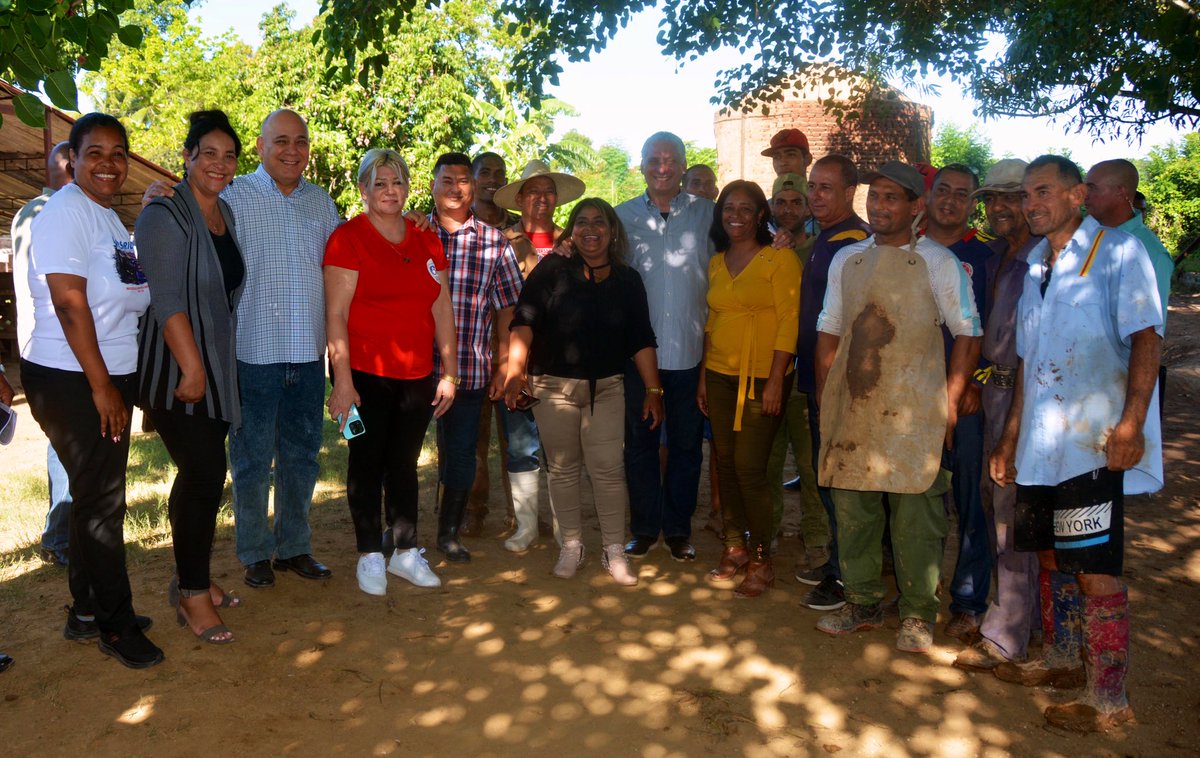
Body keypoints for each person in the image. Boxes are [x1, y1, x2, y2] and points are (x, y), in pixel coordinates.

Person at [990, 155, 1162, 733]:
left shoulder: (1117, 252)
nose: (1029, 203)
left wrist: (1132, 423)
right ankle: (1062, 660)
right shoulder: (1036, 263)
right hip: (1041, 446)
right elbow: (1029, 362)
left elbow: (1146, 341)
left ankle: (1110, 699)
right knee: (1049, 554)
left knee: (1094, 567)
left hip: (1092, 443)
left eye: (1042, 191)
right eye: (1025, 194)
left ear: (1076, 195)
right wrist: (1010, 439)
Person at [146, 110, 343, 588]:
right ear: (259, 147)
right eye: (280, 141)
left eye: (300, 141)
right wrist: (159, 195)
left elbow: (344, 266)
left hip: (307, 352)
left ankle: (294, 546)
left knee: (302, 456)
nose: (291, 150)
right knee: (251, 460)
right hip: (252, 352)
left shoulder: (324, 204)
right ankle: (254, 552)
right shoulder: (231, 196)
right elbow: (184, 223)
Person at [814, 161, 981, 653]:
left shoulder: (936, 262)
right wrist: (829, 393)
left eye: (892, 198)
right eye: (875, 196)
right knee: (854, 508)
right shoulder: (849, 259)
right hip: (857, 405)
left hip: (914, 407)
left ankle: (916, 613)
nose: (880, 207)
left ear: (916, 207)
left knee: (917, 515)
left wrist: (949, 403)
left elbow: (968, 330)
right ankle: (863, 600)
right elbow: (830, 324)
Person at [22, 113, 163, 668]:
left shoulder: (108, 218)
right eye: (94, 152)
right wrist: (102, 387)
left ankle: (85, 610)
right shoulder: (64, 215)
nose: (108, 163)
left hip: (109, 375)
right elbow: (68, 303)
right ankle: (115, 623)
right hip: (72, 377)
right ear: (71, 161)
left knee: (92, 495)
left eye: (118, 153)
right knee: (104, 503)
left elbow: (130, 291)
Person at [504, 198, 662, 585]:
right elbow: (524, 321)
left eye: (599, 223)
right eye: (582, 223)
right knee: (562, 469)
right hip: (552, 386)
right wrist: (514, 372)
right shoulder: (553, 270)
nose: (590, 230)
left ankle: (613, 550)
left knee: (608, 470)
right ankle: (571, 545)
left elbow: (641, 338)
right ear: (571, 231)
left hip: (608, 388)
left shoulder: (628, 280)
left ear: (612, 231)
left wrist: (654, 389)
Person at [324, 149, 458, 595]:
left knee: (404, 464)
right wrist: (342, 381)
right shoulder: (348, 238)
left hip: (417, 374)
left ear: (407, 187)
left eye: (396, 182)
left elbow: (441, 306)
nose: (389, 191)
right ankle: (368, 555)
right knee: (366, 462)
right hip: (364, 372)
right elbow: (336, 315)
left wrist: (449, 372)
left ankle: (404, 552)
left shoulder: (426, 238)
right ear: (363, 190)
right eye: (379, 183)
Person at [137, 110, 246, 644]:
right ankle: (193, 596)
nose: (219, 164)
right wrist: (194, 368)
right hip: (176, 369)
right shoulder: (164, 214)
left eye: (229, 156)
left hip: (215, 368)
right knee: (206, 473)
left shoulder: (222, 211)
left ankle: (190, 574)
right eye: (208, 153)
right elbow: (167, 298)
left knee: (199, 478)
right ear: (187, 155)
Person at [954, 159, 1043, 672]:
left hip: (1028, 403)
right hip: (995, 396)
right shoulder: (996, 257)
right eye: (993, 199)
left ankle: (1007, 636)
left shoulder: (1042, 260)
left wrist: (1009, 429)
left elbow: (1031, 354)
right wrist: (977, 385)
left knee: (1012, 516)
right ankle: (1017, 623)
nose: (1001, 208)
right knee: (995, 506)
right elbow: (992, 348)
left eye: (1013, 197)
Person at [699, 180, 801, 597]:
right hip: (720, 374)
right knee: (724, 463)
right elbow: (712, 320)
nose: (735, 216)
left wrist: (777, 378)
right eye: (728, 208)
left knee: (750, 470)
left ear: (761, 215)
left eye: (745, 209)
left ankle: (761, 556)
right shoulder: (717, 261)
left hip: (763, 377)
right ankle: (734, 545)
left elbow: (790, 321)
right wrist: (705, 376)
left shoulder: (780, 258)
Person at [616, 131, 714, 562]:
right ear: (640, 165)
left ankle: (677, 530)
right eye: (653, 159)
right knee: (639, 446)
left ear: (683, 165)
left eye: (670, 160)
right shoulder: (620, 218)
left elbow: (756, 238)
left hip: (692, 353)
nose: (662, 167)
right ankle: (643, 529)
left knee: (687, 448)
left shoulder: (709, 215)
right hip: (640, 358)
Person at [429, 152, 524, 563]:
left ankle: (450, 532)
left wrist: (505, 365)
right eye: (446, 179)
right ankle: (399, 533)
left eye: (462, 180)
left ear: (472, 187)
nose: (455, 187)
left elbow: (507, 310)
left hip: (468, 369)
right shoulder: (410, 235)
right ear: (432, 186)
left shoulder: (493, 242)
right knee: (397, 454)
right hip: (413, 370)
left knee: (463, 454)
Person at [489, 160, 585, 551]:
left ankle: (567, 529)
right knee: (522, 444)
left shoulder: (577, 242)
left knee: (563, 449)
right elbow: (500, 310)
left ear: (557, 199)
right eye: (534, 192)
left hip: (564, 363)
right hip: (518, 361)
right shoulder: (500, 241)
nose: (542, 199)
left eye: (549, 192)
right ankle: (526, 526)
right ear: (520, 199)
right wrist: (503, 365)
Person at [922, 163, 995, 641]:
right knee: (915, 499)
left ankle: (968, 600)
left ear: (973, 204)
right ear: (928, 197)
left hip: (966, 399)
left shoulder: (988, 257)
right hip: (908, 396)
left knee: (971, 500)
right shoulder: (907, 250)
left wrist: (976, 384)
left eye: (961, 194)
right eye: (942, 190)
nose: (950, 200)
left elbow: (999, 330)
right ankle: (916, 591)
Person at [793, 155, 870, 612]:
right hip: (816, 378)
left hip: (838, 383)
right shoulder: (826, 239)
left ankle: (846, 575)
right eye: (813, 186)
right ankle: (842, 561)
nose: (815, 195)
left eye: (826, 188)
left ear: (848, 193)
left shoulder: (856, 242)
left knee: (841, 479)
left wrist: (835, 381)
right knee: (827, 476)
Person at [11, 141, 73, 567]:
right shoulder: (49, 212)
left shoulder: (31, 212)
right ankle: (59, 536)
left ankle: (63, 532)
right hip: (57, 346)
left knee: (66, 440)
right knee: (67, 441)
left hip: (47, 345)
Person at [763, 173, 829, 569]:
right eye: (781, 202)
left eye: (796, 202)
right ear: (771, 208)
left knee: (809, 463)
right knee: (768, 459)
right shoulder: (761, 250)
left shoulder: (822, 250)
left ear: (807, 208)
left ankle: (817, 539)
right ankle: (766, 532)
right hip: (771, 367)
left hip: (807, 373)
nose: (788, 209)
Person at [1085, 159, 1174, 414]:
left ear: (1121, 192)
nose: (1084, 195)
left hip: (1118, 385)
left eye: (1092, 188)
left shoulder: (1150, 252)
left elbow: (1149, 338)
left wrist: (1132, 417)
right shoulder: (1088, 240)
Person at [462, 151, 520, 539]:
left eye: (500, 173)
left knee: (518, 439)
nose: (493, 179)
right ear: (473, 178)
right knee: (471, 441)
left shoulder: (519, 229)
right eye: (485, 173)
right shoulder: (455, 224)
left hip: (514, 346)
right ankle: (472, 509)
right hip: (469, 351)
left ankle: (523, 516)